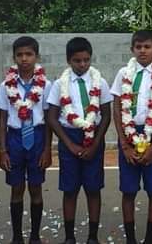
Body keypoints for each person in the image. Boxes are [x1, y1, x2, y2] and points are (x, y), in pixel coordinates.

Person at [46, 37, 112, 244]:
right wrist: (70, 144)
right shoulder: (60, 84)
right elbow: (52, 117)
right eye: (77, 60)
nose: (82, 64)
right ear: (68, 60)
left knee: (93, 189)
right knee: (70, 190)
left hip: (94, 138)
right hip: (70, 137)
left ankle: (92, 237)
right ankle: (69, 237)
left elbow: (106, 115)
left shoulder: (100, 82)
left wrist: (95, 144)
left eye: (86, 60)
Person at [111, 30, 152, 244]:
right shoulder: (123, 73)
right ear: (132, 49)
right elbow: (117, 109)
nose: (143, 51)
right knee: (128, 191)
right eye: (138, 47)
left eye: (147, 46)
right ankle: (130, 239)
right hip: (128, 136)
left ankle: (149, 238)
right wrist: (124, 144)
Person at [0, 36, 53, 244]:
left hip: (37, 138)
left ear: (36, 56)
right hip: (15, 139)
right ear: (14, 57)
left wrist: (47, 149)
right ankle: (17, 237)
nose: (24, 59)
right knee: (16, 188)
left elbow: (49, 120)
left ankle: (35, 236)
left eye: (29, 54)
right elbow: (2, 120)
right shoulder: (6, 85)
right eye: (19, 55)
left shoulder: (46, 85)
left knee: (36, 188)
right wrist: (2, 150)